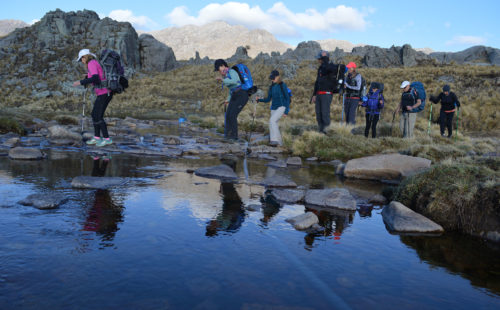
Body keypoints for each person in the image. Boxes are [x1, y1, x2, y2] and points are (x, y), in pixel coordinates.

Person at [73, 49, 113, 147]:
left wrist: (81, 82)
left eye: (81, 59)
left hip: (104, 93)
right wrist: (87, 76)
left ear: (84, 57)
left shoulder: (91, 63)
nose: (81, 62)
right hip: (103, 93)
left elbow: (96, 78)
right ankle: (97, 138)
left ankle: (107, 139)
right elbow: (97, 75)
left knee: (98, 116)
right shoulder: (93, 63)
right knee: (94, 115)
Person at [214, 59, 249, 141]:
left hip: (242, 95)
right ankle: (228, 135)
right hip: (234, 95)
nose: (219, 71)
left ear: (223, 65)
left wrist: (222, 80)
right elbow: (232, 89)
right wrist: (227, 100)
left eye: (218, 68)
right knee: (228, 115)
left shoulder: (232, 71)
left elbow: (234, 81)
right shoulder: (226, 75)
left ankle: (234, 137)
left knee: (232, 115)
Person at [256, 70, 290, 146]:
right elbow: (268, 99)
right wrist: (259, 100)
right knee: (272, 123)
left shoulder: (282, 85)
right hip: (273, 108)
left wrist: (286, 111)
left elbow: (287, 98)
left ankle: (275, 140)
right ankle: (278, 142)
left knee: (272, 120)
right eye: (271, 78)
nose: (272, 79)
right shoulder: (271, 87)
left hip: (282, 106)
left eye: (273, 78)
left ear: (278, 77)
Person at [311, 50, 338, 133]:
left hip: (327, 94)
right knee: (319, 114)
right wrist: (314, 95)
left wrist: (325, 59)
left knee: (324, 114)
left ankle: (327, 133)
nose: (318, 60)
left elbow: (329, 69)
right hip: (319, 94)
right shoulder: (320, 68)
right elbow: (317, 82)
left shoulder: (331, 66)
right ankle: (321, 132)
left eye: (320, 58)